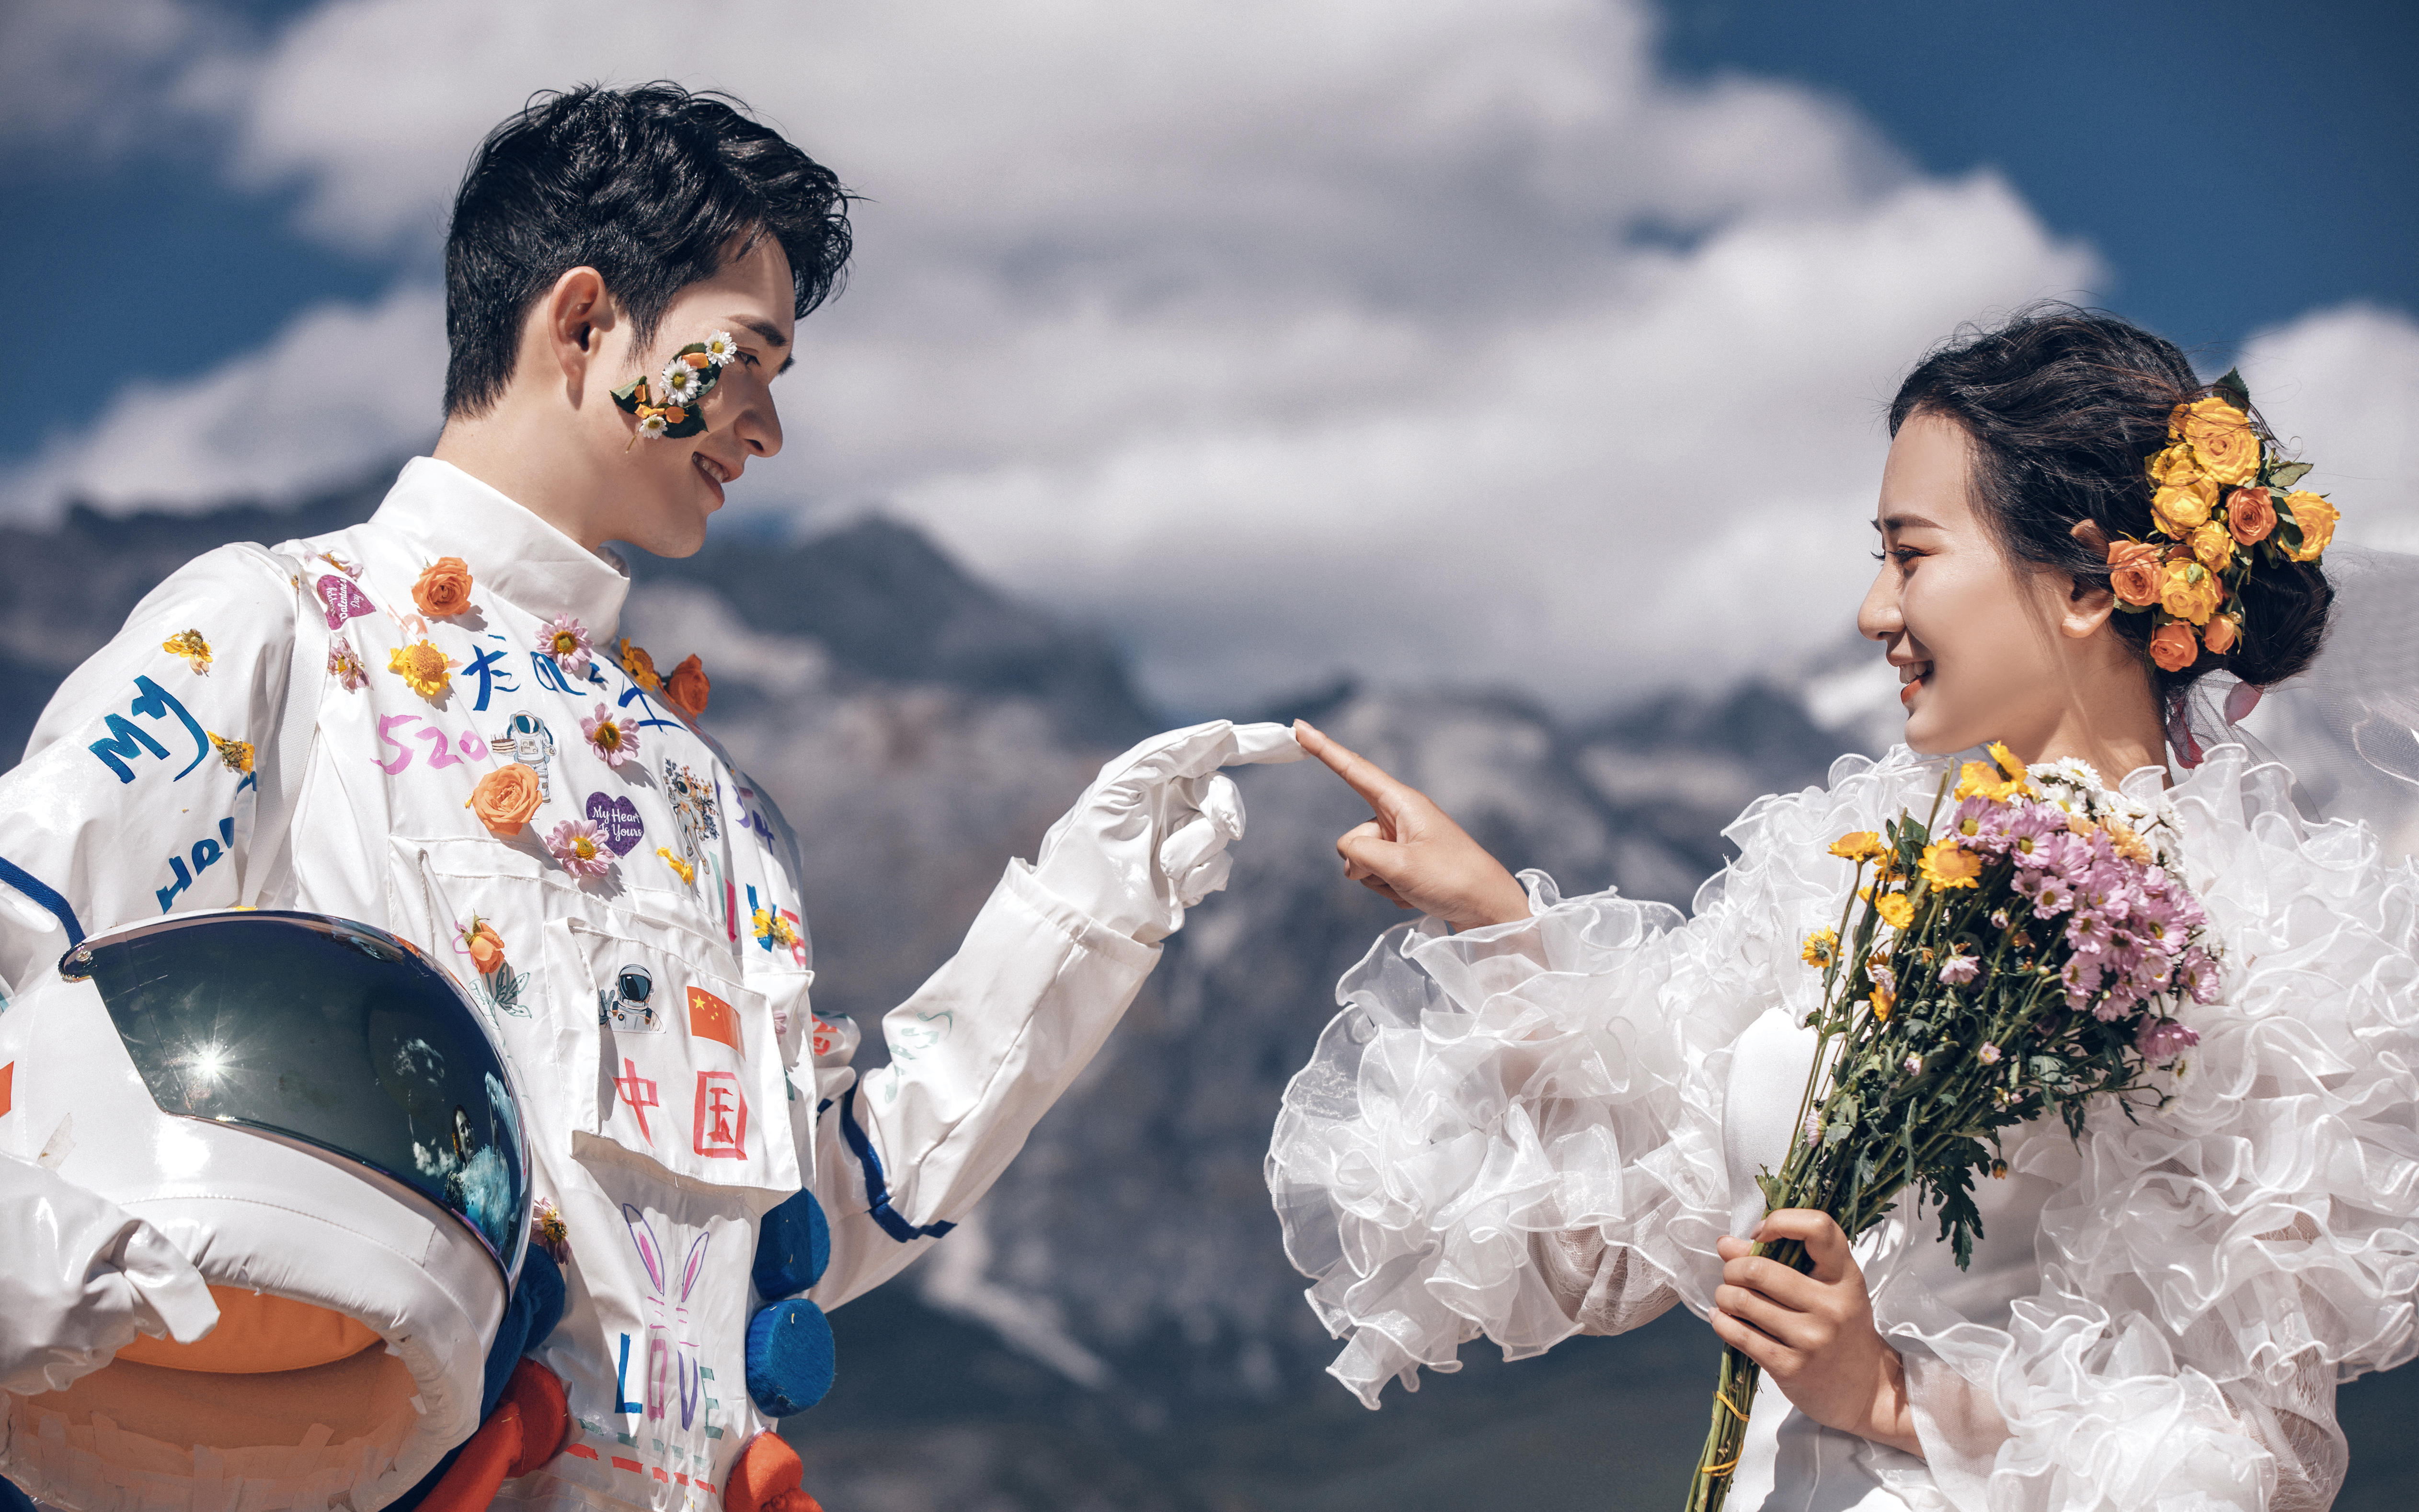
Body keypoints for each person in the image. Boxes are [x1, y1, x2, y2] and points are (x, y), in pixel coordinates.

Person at [0, 83, 1296, 1512]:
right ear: (579, 322)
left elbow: (816, 1211)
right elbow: (23, 943)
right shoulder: (282, 632)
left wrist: (1084, 916)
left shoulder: (709, 800)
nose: (766, 428)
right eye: (742, 359)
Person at [1265, 307, 2419, 1510]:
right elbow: (1604, 1240)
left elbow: (2247, 1462)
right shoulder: (1848, 870)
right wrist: (1496, 922)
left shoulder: (2254, 948)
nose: (1873, 612)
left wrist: (1885, 1393)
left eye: (1909, 555)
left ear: (2089, 582)